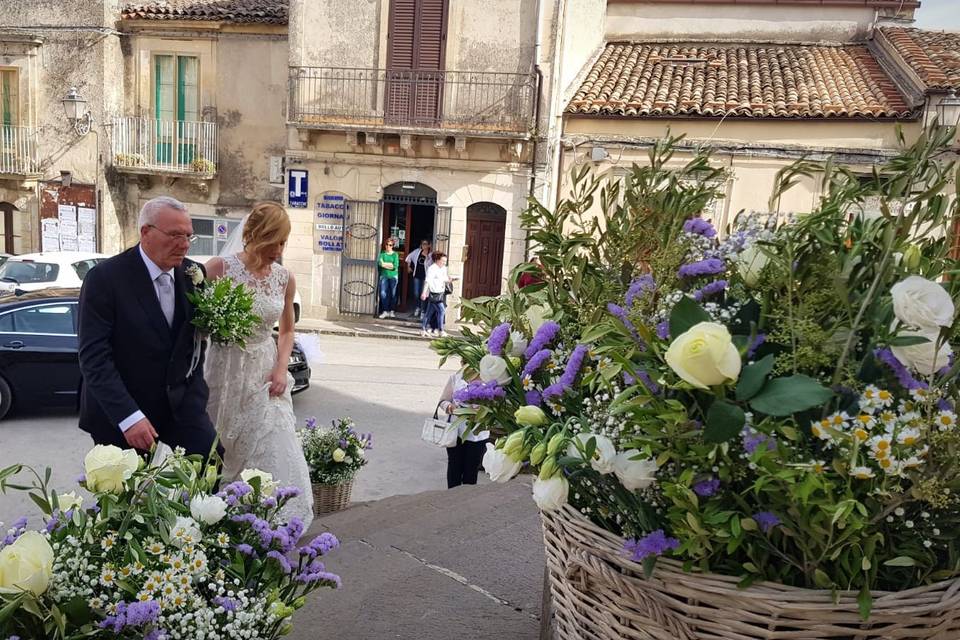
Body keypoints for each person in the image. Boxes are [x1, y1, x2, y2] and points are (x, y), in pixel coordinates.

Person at [77, 196, 220, 459]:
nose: (184, 244)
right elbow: (94, 357)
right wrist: (127, 417)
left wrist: (195, 400)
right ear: (146, 232)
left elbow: (194, 345)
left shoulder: (194, 274)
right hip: (122, 414)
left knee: (210, 465)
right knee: (130, 496)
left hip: (182, 410)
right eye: (175, 235)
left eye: (189, 235)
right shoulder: (105, 279)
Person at [203, 202, 313, 527]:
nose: (278, 250)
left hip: (265, 370)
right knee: (223, 446)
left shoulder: (284, 278)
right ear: (255, 235)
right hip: (225, 368)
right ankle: (222, 519)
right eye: (273, 241)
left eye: (283, 243)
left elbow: (288, 330)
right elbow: (194, 324)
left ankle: (271, 523)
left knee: (274, 439)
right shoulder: (218, 269)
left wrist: (281, 369)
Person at [438, 370, 490, 488]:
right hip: (456, 433)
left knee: (471, 471)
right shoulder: (456, 377)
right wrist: (450, 407)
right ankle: (452, 498)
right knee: (454, 468)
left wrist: (482, 410)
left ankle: (467, 500)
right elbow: (442, 401)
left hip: (478, 435)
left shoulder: (488, 379)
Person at [421, 251, 453, 338]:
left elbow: (444, 278)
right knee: (441, 310)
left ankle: (423, 329)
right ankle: (441, 330)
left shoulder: (443, 268)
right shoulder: (432, 269)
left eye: (445, 261)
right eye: (442, 261)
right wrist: (424, 292)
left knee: (429, 313)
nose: (444, 263)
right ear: (437, 260)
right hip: (434, 293)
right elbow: (427, 281)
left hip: (440, 292)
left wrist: (450, 279)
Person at [404, 239, 433, 318]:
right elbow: (408, 258)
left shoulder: (431, 255)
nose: (424, 245)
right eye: (422, 244)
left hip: (426, 278)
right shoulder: (417, 252)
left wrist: (427, 257)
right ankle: (418, 307)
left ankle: (423, 311)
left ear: (429, 245)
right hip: (417, 276)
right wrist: (409, 267)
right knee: (416, 293)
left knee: (423, 294)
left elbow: (433, 265)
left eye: (425, 244)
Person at [377, 237, 400, 319]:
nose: (388, 246)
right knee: (383, 293)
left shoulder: (395, 255)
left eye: (390, 245)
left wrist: (385, 264)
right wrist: (389, 265)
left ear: (392, 246)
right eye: (386, 244)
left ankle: (392, 310)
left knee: (393, 294)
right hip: (384, 276)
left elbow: (395, 266)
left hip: (393, 276)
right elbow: (380, 263)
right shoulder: (382, 253)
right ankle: (385, 311)